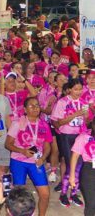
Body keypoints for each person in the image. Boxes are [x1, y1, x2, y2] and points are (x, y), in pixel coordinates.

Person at [5, 97, 52, 216]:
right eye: (31, 106)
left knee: (45, 194)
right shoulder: (17, 123)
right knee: (18, 196)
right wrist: (22, 151)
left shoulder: (44, 125)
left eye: (37, 105)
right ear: (25, 109)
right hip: (18, 161)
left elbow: (47, 146)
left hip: (36, 162)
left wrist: (43, 158)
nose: (35, 108)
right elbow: (8, 144)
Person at [52, 78, 90, 206]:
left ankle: (73, 194)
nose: (79, 92)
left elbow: (88, 123)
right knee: (71, 166)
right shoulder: (62, 102)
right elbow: (57, 123)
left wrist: (85, 117)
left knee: (79, 166)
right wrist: (75, 114)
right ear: (69, 89)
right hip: (66, 136)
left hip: (80, 136)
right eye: (76, 89)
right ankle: (63, 194)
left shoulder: (84, 102)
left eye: (80, 89)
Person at [69, 118, 94, 215]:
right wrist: (72, 176)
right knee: (91, 204)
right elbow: (74, 156)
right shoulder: (84, 137)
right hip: (89, 170)